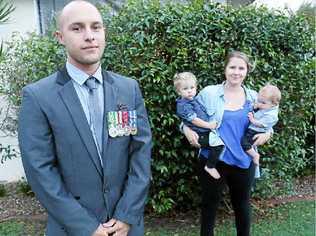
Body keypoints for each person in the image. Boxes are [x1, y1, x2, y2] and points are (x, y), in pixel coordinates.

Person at [18, 1, 152, 236]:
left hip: (126, 228)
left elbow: (140, 154)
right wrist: (86, 227)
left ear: (104, 33)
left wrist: (127, 215)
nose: (89, 36)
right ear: (60, 36)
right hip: (71, 229)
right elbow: (40, 171)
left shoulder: (128, 89)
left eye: (96, 27)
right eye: (77, 28)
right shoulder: (38, 96)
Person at [183, 51, 272, 236]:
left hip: (243, 161)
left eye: (241, 68)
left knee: (242, 206)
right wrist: (186, 130)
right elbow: (187, 116)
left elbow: (269, 122)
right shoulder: (209, 93)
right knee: (209, 206)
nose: (236, 72)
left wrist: (268, 134)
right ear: (225, 69)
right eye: (232, 67)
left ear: (247, 71)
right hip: (213, 161)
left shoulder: (255, 98)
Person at [174, 72, 224, 179]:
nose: (189, 91)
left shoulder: (194, 100)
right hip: (200, 134)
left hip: (205, 132)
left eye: (192, 87)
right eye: (185, 89)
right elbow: (194, 120)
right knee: (218, 146)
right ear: (179, 91)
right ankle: (210, 166)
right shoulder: (183, 105)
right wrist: (209, 125)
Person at [241, 84, 281, 165]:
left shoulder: (271, 115)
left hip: (255, 131)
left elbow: (263, 125)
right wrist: (257, 105)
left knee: (245, 143)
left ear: (274, 104)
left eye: (262, 103)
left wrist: (252, 120)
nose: (259, 103)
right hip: (252, 129)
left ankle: (255, 155)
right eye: (258, 100)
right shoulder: (264, 103)